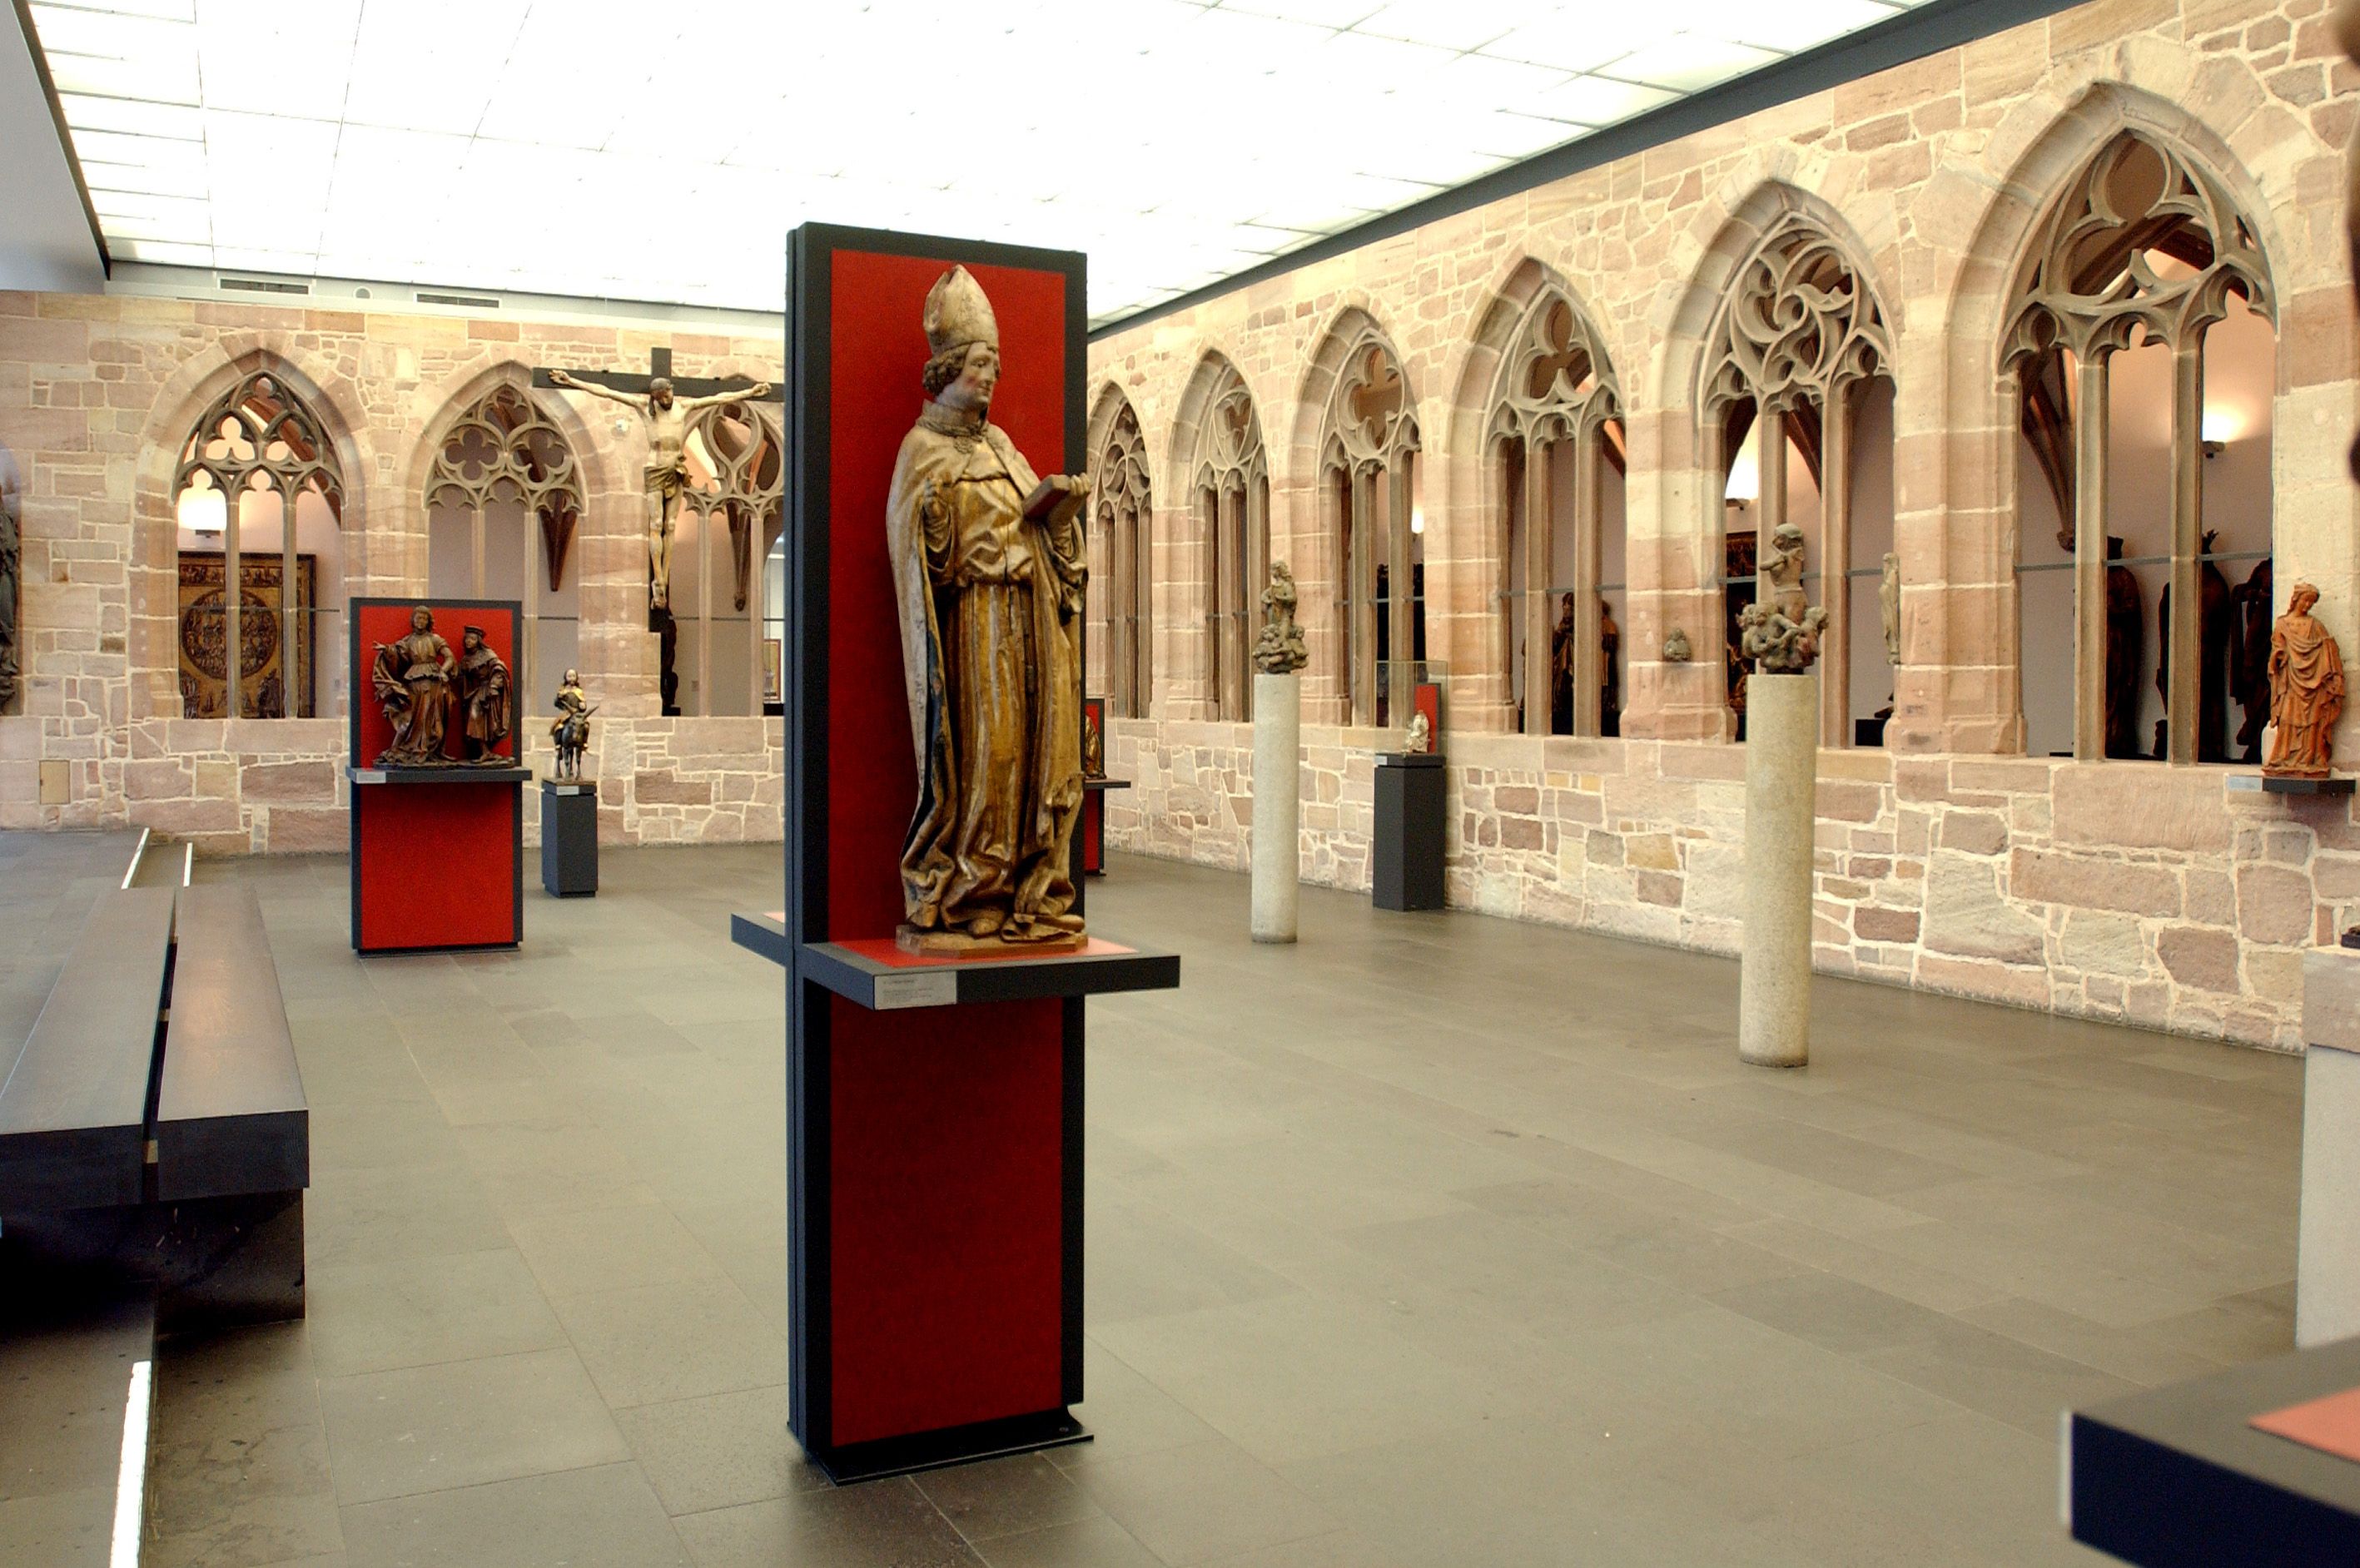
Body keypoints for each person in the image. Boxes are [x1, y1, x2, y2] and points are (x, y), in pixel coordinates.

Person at [887, 265, 1091, 947]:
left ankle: (1032, 893)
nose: (991, 375)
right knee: (990, 757)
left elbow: (1040, 526)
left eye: (996, 364)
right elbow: (923, 564)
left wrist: (1060, 513)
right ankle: (977, 888)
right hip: (978, 623)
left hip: (1031, 617)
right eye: (980, 363)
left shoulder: (1001, 446)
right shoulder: (922, 449)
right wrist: (939, 519)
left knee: (1038, 754)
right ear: (947, 368)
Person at [548, 368, 773, 611]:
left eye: (665, 395)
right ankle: (658, 580)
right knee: (655, 524)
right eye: (658, 397)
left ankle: (663, 579)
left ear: (670, 391)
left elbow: (718, 398)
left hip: (675, 470)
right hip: (655, 470)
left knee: (672, 526)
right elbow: (607, 392)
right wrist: (571, 381)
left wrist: (750, 392)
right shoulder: (645, 410)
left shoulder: (684, 408)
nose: (663, 400)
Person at [2265, 581, 2345, 778]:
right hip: (2291, 682)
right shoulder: (2282, 624)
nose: (2307, 605)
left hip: (2314, 684)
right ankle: (2284, 758)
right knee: (2288, 717)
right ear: (2296, 599)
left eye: (2311, 602)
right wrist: (2277, 658)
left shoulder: (2315, 626)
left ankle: (2309, 758)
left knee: (2312, 721)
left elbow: (2328, 648)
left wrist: (2329, 665)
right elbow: (2277, 652)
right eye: (2305, 600)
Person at [370, 605, 455, 765]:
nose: (420, 621)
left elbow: (450, 657)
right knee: (413, 716)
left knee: (432, 719)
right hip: (414, 683)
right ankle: (406, 748)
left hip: (433, 683)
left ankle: (429, 749)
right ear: (413, 621)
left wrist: (443, 671)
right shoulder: (408, 641)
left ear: (429, 621)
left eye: (424, 618)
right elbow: (396, 654)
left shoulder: (435, 639)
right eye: (417, 618)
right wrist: (386, 650)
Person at [456, 625, 511, 763]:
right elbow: (460, 677)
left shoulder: (488, 655)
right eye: (467, 638)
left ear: (478, 641)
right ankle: (483, 750)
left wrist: (494, 685)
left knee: (477, 717)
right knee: (475, 718)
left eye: (473, 639)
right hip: (476, 691)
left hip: (488, 689)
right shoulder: (465, 659)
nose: (469, 641)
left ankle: (486, 751)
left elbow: (499, 669)